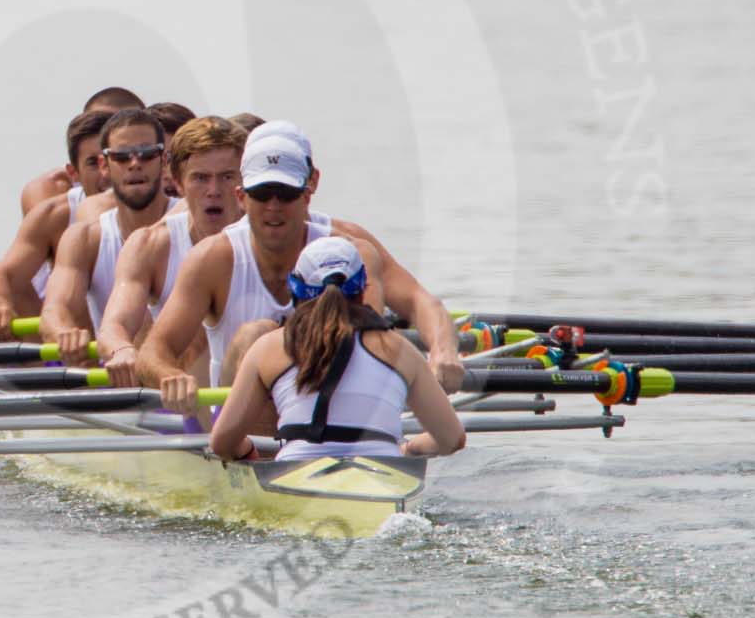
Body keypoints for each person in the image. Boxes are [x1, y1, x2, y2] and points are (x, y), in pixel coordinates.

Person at [140, 123, 464, 411]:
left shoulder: (353, 251)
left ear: (308, 192)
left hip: (331, 408)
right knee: (258, 334)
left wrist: (443, 351)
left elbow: (422, 303)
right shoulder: (212, 259)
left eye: (286, 193)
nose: (274, 207)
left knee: (358, 336)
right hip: (247, 432)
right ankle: (265, 452)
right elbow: (153, 352)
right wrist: (170, 375)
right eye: (263, 193)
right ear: (242, 196)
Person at [208, 237, 466, 463]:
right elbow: (452, 439)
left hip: (295, 471)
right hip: (384, 472)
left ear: (296, 289)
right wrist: (409, 449)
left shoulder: (268, 347)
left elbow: (222, 442)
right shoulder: (399, 349)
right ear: (362, 289)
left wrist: (248, 452)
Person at [78, 114, 247, 384]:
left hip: (258, 400)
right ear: (178, 183)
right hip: (188, 398)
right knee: (194, 323)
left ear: (244, 183)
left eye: (227, 177)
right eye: (201, 178)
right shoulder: (151, 245)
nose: (214, 191)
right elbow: (114, 325)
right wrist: (121, 349)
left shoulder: (277, 233)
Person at [40, 108, 177, 360]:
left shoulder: (189, 222)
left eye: (147, 154)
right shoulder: (84, 238)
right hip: (118, 373)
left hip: (183, 381)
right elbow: (54, 310)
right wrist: (63, 332)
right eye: (122, 157)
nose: (135, 164)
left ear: (164, 161)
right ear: (104, 165)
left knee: (147, 321)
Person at [0, 108, 113, 336]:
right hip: (76, 344)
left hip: (133, 342)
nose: (105, 173)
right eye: (93, 163)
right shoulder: (54, 214)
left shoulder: (158, 206)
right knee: (18, 290)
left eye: (111, 160)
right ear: (74, 174)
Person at [19, 87, 143, 215]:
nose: (110, 133)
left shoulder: (160, 179)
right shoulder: (49, 190)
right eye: (100, 123)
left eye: (126, 125)